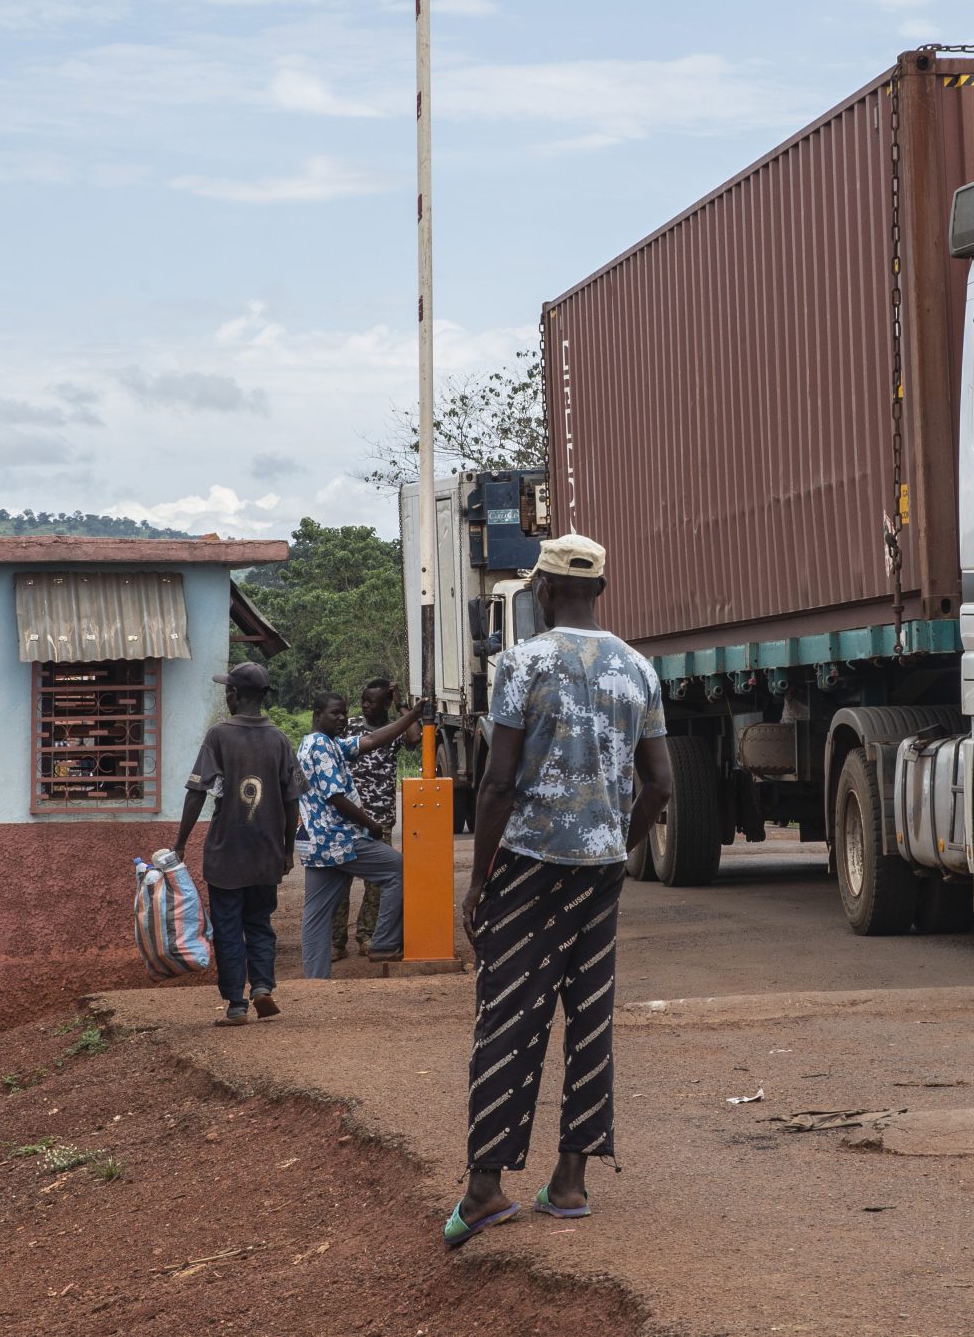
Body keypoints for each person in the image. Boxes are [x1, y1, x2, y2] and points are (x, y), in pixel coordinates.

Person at [446, 535, 673, 1248]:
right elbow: (660, 783)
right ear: (598, 590)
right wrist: (618, 842)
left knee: (507, 1019)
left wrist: (479, 881)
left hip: (529, 868)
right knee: (589, 1015)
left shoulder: (521, 664)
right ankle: (570, 1181)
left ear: (543, 590)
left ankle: (485, 1189)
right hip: (599, 872)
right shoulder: (639, 670)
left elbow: (498, 783)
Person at [173, 662, 300, 1027]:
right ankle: (262, 986)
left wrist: (180, 842)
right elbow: (292, 801)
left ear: (235, 695)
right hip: (266, 853)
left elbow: (197, 792)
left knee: (228, 927)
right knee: (259, 921)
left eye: (228, 690)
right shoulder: (279, 739)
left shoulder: (218, 736)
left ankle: (236, 1004)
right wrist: (287, 850)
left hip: (227, 853)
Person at [297, 685, 428, 977]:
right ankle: (383, 942)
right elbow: (336, 796)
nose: (342, 718)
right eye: (335, 713)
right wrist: (370, 824)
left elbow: (370, 740)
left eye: (344, 713)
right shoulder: (320, 746)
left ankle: (315, 982)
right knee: (400, 869)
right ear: (318, 715)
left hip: (319, 844)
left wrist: (410, 716)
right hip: (339, 839)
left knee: (316, 915)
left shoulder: (325, 742)